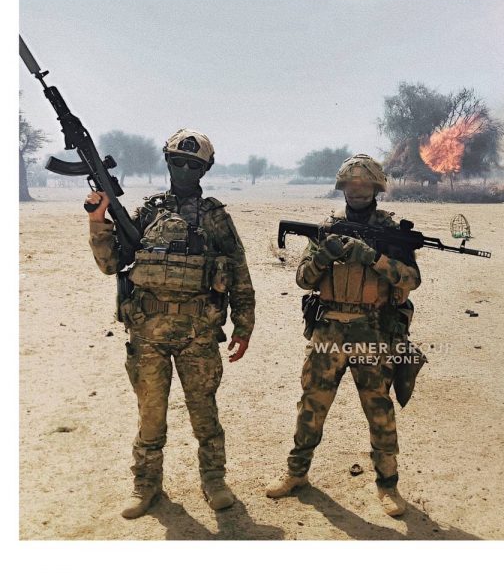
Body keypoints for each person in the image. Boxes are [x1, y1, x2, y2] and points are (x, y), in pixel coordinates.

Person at [86, 128, 255, 519]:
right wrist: (98, 221)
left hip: (198, 335)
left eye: (193, 165)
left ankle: (214, 481)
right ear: (167, 162)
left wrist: (243, 327)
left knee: (205, 415)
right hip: (147, 334)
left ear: (205, 169)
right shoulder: (147, 213)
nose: (184, 170)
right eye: (178, 162)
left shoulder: (216, 218)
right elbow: (111, 264)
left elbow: (240, 275)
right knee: (150, 416)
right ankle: (146, 486)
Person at [266, 154, 421, 517]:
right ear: (343, 187)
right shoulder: (328, 228)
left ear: (376, 188)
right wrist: (323, 256)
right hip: (328, 331)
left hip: (373, 331)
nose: (358, 191)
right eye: (352, 185)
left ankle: (388, 485)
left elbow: (411, 279)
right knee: (311, 406)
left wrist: (373, 258)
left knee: (379, 410)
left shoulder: (391, 232)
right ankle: (296, 473)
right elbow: (303, 279)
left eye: (365, 185)